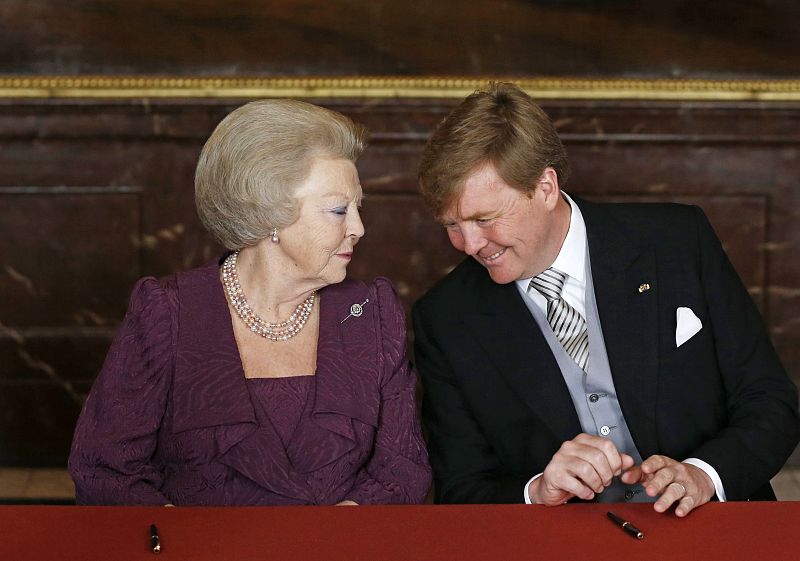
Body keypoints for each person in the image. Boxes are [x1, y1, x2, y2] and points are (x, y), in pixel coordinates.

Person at [412, 82, 799, 516]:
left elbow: (771, 400)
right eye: (451, 225)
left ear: (544, 187)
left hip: (714, 521)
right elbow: (461, 488)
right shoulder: (444, 318)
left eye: (484, 218)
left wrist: (704, 474)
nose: (467, 244)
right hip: (561, 542)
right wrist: (536, 491)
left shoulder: (676, 241)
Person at [69, 99, 431, 506]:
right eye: (338, 210)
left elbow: (403, 468)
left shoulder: (369, 312)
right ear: (269, 213)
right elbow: (104, 470)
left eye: (358, 207)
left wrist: (338, 534)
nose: (358, 228)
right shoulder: (168, 312)